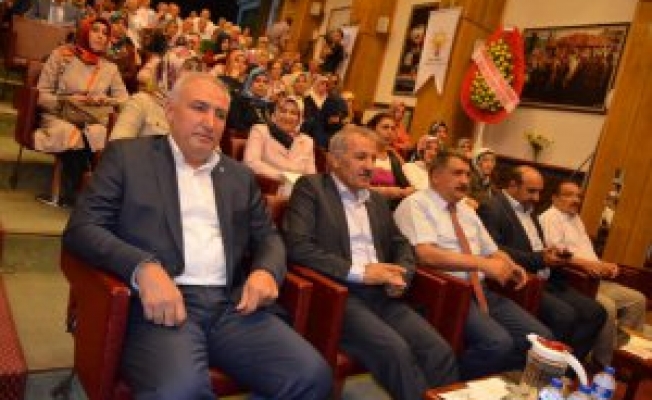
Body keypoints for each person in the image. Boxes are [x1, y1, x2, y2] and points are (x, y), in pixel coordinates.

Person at [62, 72, 332, 400]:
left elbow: (269, 238)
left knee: (311, 377)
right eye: (199, 108)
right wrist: (142, 267)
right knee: (180, 392)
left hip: (231, 306)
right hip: (162, 307)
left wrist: (265, 271)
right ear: (170, 111)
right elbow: (82, 229)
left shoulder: (239, 177)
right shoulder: (128, 158)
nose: (210, 122)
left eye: (220, 114)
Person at [283, 126, 459, 400]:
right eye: (360, 157)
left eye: (373, 159)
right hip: (340, 293)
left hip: (384, 292)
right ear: (334, 160)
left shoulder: (375, 199)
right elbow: (299, 248)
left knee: (439, 351)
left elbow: (401, 244)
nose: (369, 166)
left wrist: (402, 276)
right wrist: (361, 273)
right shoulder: (312, 188)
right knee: (396, 352)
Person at [394, 151, 553, 379]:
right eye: (457, 173)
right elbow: (426, 255)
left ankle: (493, 382)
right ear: (435, 176)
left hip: (482, 290)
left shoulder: (466, 210)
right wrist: (483, 264)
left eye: (468, 174)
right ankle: (452, 386)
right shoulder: (416, 205)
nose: (465, 181)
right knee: (497, 343)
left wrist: (509, 264)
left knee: (539, 337)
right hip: (448, 293)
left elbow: (492, 250)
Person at [477, 166, 607, 362]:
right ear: (513, 185)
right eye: (531, 191)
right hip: (522, 280)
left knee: (596, 312)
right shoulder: (493, 208)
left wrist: (549, 253)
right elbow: (493, 249)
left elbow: (534, 245)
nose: (537, 198)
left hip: (547, 277)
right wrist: (540, 258)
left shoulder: (528, 209)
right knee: (565, 315)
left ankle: (566, 368)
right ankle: (543, 367)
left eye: (539, 192)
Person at [539, 180, 646, 368]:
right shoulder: (550, 218)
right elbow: (558, 256)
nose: (575, 200)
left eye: (578, 196)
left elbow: (587, 253)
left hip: (595, 277)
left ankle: (621, 355)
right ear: (554, 198)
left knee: (637, 300)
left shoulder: (575, 219)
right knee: (608, 307)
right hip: (575, 280)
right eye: (569, 195)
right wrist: (590, 265)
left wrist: (605, 265)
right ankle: (603, 362)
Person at [34, 16, 128, 207]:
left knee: (98, 133)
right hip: (59, 115)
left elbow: (125, 101)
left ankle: (85, 196)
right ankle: (81, 196)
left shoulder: (110, 68)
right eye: (95, 30)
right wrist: (66, 100)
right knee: (72, 134)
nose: (100, 36)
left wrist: (105, 100)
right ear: (84, 31)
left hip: (92, 118)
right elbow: (41, 95)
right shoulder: (61, 56)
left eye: (105, 33)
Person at [244, 96, 316, 196]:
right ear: (275, 113)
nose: (287, 116)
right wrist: (283, 177)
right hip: (266, 190)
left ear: (300, 118)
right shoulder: (260, 130)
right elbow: (251, 162)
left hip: (298, 193)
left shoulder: (307, 141)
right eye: (283, 111)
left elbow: (311, 175)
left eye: (293, 113)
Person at [366, 112, 415, 209]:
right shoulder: (363, 154)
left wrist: (408, 191)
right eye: (385, 127)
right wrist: (384, 191)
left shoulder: (393, 158)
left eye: (393, 129)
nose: (390, 132)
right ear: (372, 130)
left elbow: (407, 186)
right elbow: (352, 186)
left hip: (388, 209)